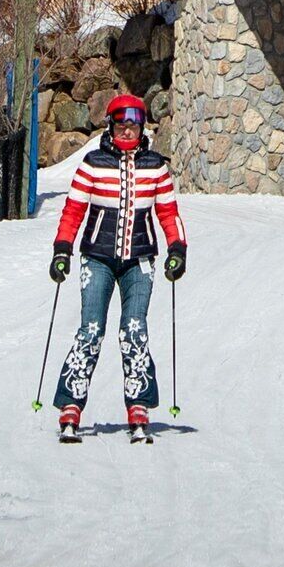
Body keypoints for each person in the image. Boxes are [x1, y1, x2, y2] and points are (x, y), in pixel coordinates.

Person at [50, 92, 186, 443]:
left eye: (134, 126)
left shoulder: (155, 165)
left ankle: (138, 407)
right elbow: (73, 211)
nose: (128, 133)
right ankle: (71, 406)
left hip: (139, 261)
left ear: (142, 129)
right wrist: (62, 249)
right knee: (91, 329)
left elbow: (168, 213)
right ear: (110, 127)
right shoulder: (94, 162)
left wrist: (177, 248)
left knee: (134, 330)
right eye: (122, 126)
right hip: (97, 258)